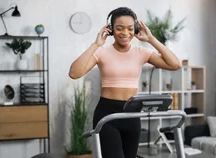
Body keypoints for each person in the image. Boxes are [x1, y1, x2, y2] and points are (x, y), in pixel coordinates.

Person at [69, 7, 181, 158]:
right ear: (110, 29)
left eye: (130, 28)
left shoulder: (141, 53)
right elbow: (74, 73)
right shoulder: (101, 52)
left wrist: (151, 39)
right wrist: (96, 44)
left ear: (135, 29)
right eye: (119, 28)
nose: (125, 33)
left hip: (132, 114)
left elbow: (175, 65)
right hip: (107, 114)